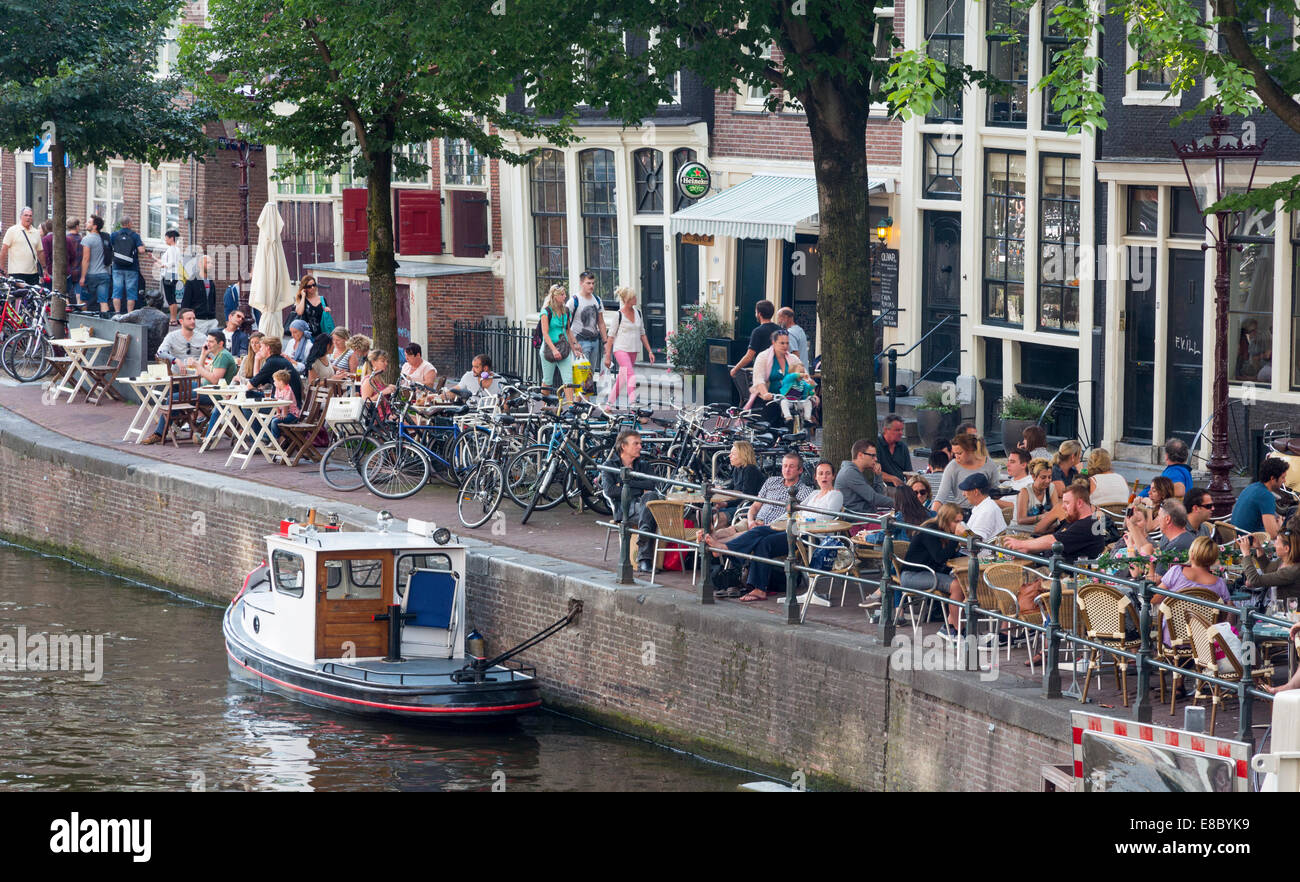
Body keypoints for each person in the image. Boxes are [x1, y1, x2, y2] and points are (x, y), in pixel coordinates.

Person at [712, 452, 814, 602]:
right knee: (726, 531)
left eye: (792, 467)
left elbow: (796, 519)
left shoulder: (805, 492)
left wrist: (763, 525)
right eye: (785, 466)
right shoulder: (771, 481)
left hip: (772, 528)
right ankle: (718, 548)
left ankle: (723, 549)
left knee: (749, 536)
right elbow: (755, 505)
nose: (787, 470)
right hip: (754, 521)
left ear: (800, 470)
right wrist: (751, 520)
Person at [1003, 485, 1109, 609]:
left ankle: (1018, 621)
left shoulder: (1087, 525)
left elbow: (1053, 540)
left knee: (1010, 582)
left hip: (1063, 579)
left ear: (1080, 502)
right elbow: (1050, 534)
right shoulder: (1085, 520)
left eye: (1067, 503)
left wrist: (1022, 544)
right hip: (1057, 572)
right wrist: (1028, 546)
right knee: (1011, 582)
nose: (1063, 507)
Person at [601, 429, 666, 574]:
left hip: (645, 508)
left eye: (640, 443)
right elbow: (610, 491)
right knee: (650, 508)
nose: (640, 447)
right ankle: (644, 560)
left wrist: (625, 485)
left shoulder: (643, 465)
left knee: (650, 498)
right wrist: (638, 488)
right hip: (625, 510)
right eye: (636, 443)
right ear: (623, 446)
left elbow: (651, 485)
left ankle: (644, 534)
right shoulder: (610, 465)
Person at [899, 503, 965, 638]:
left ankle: (950, 626)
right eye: (956, 521)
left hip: (929, 572)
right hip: (912, 575)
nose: (958, 525)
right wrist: (956, 539)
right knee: (957, 586)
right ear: (946, 520)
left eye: (961, 521)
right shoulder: (931, 531)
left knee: (963, 582)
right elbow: (939, 557)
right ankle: (957, 631)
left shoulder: (944, 531)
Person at [1155, 536, 1231, 646]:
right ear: (1214, 559)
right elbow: (1229, 612)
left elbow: (1154, 599)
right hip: (1204, 645)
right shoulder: (1219, 584)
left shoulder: (1176, 572)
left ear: (1191, 554)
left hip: (1173, 640)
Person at [604, 286, 654, 407]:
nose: (636, 299)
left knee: (621, 379)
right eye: (634, 297)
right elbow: (610, 337)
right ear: (627, 299)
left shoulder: (638, 313)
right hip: (620, 350)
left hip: (633, 350)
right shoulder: (618, 315)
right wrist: (607, 356)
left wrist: (650, 351)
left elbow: (642, 333)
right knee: (631, 375)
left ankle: (608, 406)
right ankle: (633, 404)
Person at [1127, 500, 1196, 578]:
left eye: (1159, 516)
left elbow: (1153, 583)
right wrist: (1132, 526)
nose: (1157, 520)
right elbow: (1145, 549)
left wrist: (1149, 560)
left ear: (1167, 519)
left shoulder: (1176, 546)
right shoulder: (1180, 538)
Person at [749, 328, 803, 426]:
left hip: (788, 401)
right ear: (773, 342)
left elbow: (804, 376)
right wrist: (765, 394)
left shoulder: (793, 359)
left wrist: (812, 393)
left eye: (787, 343)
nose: (785, 346)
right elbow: (758, 379)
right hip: (769, 401)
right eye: (782, 343)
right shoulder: (763, 357)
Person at [1239, 518, 1300, 604]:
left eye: (1277, 542)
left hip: (1288, 615)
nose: (1274, 544)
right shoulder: (1284, 561)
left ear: (1286, 549)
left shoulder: (1291, 571)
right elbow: (1268, 569)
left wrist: (1246, 554)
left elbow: (1255, 580)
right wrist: (1259, 549)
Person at [708, 441, 765, 529]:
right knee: (702, 513)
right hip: (736, 504)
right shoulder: (737, 468)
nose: (729, 456)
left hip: (746, 507)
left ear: (743, 455)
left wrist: (726, 504)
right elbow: (731, 488)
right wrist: (720, 490)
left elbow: (747, 497)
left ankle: (716, 539)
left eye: (733, 454)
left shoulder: (750, 470)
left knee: (715, 518)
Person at [935, 433, 1001, 507]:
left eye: (959, 453)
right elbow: (941, 495)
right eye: (954, 454)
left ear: (971, 450)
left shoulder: (989, 464)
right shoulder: (952, 466)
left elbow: (995, 491)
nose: (956, 457)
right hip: (962, 511)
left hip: (984, 508)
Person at [1231, 457, 1288, 539]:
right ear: (1272, 478)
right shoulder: (1266, 496)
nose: (1284, 481)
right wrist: (1280, 525)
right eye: (1282, 477)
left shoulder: (1251, 487)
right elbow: (1272, 535)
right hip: (1252, 542)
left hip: (1238, 537)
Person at [538, 283, 579, 392]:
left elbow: (568, 331)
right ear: (555, 296)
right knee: (547, 381)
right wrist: (554, 350)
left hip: (564, 349)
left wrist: (575, 347)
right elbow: (545, 334)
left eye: (565, 294)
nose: (565, 296)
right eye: (562, 294)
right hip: (548, 349)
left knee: (568, 379)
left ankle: (570, 406)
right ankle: (544, 406)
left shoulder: (566, 311)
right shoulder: (546, 312)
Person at [835, 439, 894, 514]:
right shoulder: (849, 473)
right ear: (860, 455)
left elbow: (878, 495)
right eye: (872, 455)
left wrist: (878, 475)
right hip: (859, 521)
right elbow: (874, 498)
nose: (876, 459)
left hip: (867, 517)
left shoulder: (855, 471)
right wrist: (900, 504)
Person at [242, 336, 303, 406]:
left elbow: (250, 385)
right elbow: (258, 384)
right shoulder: (278, 360)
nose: (260, 349)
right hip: (285, 401)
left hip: (286, 405)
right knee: (248, 394)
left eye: (261, 347)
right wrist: (257, 360)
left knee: (244, 401)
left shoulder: (272, 362)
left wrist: (257, 359)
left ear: (268, 348)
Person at [729, 300, 777, 382]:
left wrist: (735, 369)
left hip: (764, 373)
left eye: (756, 312)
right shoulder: (780, 330)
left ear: (759, 314)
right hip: (778, 372)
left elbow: (749, 356)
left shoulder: (758, 331)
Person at [570, 270, 609, 369]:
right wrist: (574, 343)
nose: (591, 286)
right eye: (588, 283)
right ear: (581, 283)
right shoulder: (574, 301)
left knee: (590, 375)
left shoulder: (597, 300)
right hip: (580, 342)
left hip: (595, 341)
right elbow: (565, 325)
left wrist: (606, 342)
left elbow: (601, 322)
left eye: (593, 283)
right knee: (581, 375)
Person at [109, 216, 145, 315]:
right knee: (131, 293)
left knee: (116, 291)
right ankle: (129, 314)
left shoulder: (114, 235)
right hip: (132, 268)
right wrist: (143, 245)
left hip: (117, 266)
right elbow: (141, 250)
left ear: (121, 224)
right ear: (129, 224)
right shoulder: (135, 236)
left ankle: (117, 313)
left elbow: (109, 248)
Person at [79, 215, 113, 315]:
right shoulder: (103, 238)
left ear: (94, 226)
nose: (86, 223)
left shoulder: (87, 239)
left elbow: (86, 259)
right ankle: (106, 322)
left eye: (89, 222)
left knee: (83, 301)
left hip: (90, 275)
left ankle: (83, 323)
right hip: (104, 274)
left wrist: (82, 277)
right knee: (103, 301)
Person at [1, 207, 44, 284]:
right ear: (21, 217)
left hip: (33, 274)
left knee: (34, 295)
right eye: (26, 215)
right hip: (17, 273)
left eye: (30, 216)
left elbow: (40, 252)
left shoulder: (36, 232)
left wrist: (44, 268)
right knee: (19, 295)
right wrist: (2, 268)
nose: (28, 218)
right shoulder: (12, 230)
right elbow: (4, 250)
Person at [959, 472, 1005, 546]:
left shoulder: (987, 510)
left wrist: (961, 532)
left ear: (976, 492)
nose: (963, 494)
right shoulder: (982, 506)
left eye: (966, 490)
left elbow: (976, 541)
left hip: (984, 555)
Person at [1015, 459, 1058, 531]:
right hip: (1024, 530)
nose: (1047, 481)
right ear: (1033, 476)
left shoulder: (1051, 487)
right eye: (1043, 477)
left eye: (1049, 477)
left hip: (1042, 528)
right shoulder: (1025, 492)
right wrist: (1041, 517)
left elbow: (1056, 511)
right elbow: (1021, 520)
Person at [180, 254, 218, 322]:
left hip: (211, 319)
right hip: (197, 319)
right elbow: (186, 302)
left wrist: (213, 313)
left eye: (212, 263)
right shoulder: (191, 281)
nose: (210, 265)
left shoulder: (211, 281)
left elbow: (213, 301)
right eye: (208, 262)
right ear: (200, 264)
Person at [267, 369, 302, 442]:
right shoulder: (278, 389)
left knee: (275, 421)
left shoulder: (288, 390)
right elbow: (276, 402)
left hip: (292, 415)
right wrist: (278, 413)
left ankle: (276, 440)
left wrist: (284, 414)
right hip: (283, 412)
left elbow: (286, 404)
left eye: (275, 381)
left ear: (281, 382)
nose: (274, 382)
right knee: (270, 419)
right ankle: (271, 439)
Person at [877, 414, 911, 487]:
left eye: (902, 430)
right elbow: (874, 471)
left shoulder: (903, 447)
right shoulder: (876, 445)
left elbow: (908, 472)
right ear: (886, 430)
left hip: (900, 489)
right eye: (897, 430)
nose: (901, 433)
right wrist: (892, 479)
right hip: (882, 488)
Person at [159, 229, 183, 324]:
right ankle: (173, 318)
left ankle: (173, 319)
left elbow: (172, 262)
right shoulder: (175, 249)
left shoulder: (172, 249)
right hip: (172, 274)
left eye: (166, 238)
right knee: (171, 297)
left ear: (172, 238)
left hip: (170, 274)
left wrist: (164, 265)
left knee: (170, 297)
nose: (165, 240)